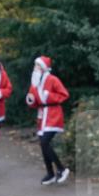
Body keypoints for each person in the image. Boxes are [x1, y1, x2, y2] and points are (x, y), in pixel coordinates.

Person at [26, 55, 70, 185]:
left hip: (53, 114)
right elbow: (33, 101)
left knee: (45, 142)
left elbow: (64, 95)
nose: (35, 68)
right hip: (42, 116)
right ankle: (50, 173)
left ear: (44, 68)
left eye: (38, 65)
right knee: (43, 144)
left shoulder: (53, 79)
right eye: (35, 65)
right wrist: (31, 101)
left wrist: (48, 95)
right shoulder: (34, 83)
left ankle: (61, 169)